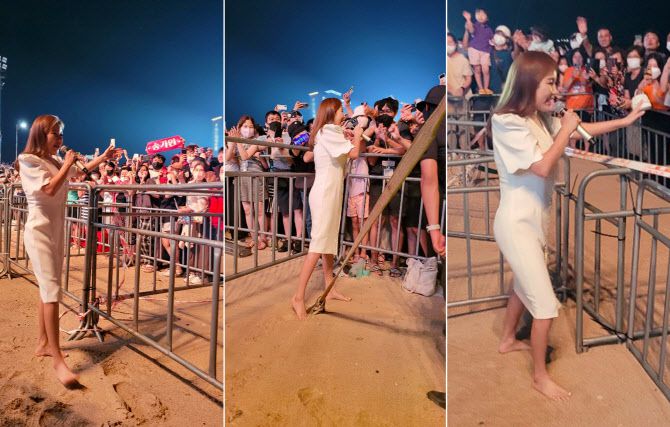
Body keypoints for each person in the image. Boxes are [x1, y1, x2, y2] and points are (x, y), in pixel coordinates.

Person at [491, 52, 644, 400]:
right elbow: (542, 166)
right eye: (550, 82)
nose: (556, 90)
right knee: (545, 305)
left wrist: (625, 120)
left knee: (522, 285)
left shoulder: (539, 118)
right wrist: (565, 128)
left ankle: (507, 339)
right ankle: (539, 376)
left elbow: (580, 133)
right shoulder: (506, 121)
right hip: (516, 223)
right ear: (529, 81)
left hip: (534, 221)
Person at [18, 114, 119, 386]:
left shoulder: (54, 161)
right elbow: (49, 189)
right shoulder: (28, 160)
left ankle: (43, 343)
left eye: (61, 134)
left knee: (47, 289)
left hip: (56, 231)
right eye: (56, 134)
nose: (60, 139)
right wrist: (67, 164)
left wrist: (103, 157)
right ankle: (58, 360)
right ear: (41, 134)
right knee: (51, 291)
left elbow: (79, 172)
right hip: (39, 232)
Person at [291, 98, 374, 320]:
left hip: (331, 193)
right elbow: (354, 154)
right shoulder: (328, 131)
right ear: (331, 112)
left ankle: (329, 287)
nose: (343, 115)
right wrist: (357, 134)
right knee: (318, 245)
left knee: (328, 243)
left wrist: (349, 136)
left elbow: (345, 154)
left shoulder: (331, 132)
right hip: (324, 194)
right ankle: (298, 297)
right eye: (340, 111)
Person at [462, 9, 494, 94]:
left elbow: (492, 39)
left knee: (486, 69)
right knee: (477, 69)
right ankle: (480, 88)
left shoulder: (489, 29)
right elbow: (471, 30)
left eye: (483, 14)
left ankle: (486, 88)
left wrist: (493, 42)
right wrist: (468, 19)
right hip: (474, 49)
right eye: (478, 14)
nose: (480, 16)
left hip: (485, 51)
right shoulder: (475, 25)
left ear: (487, 18)